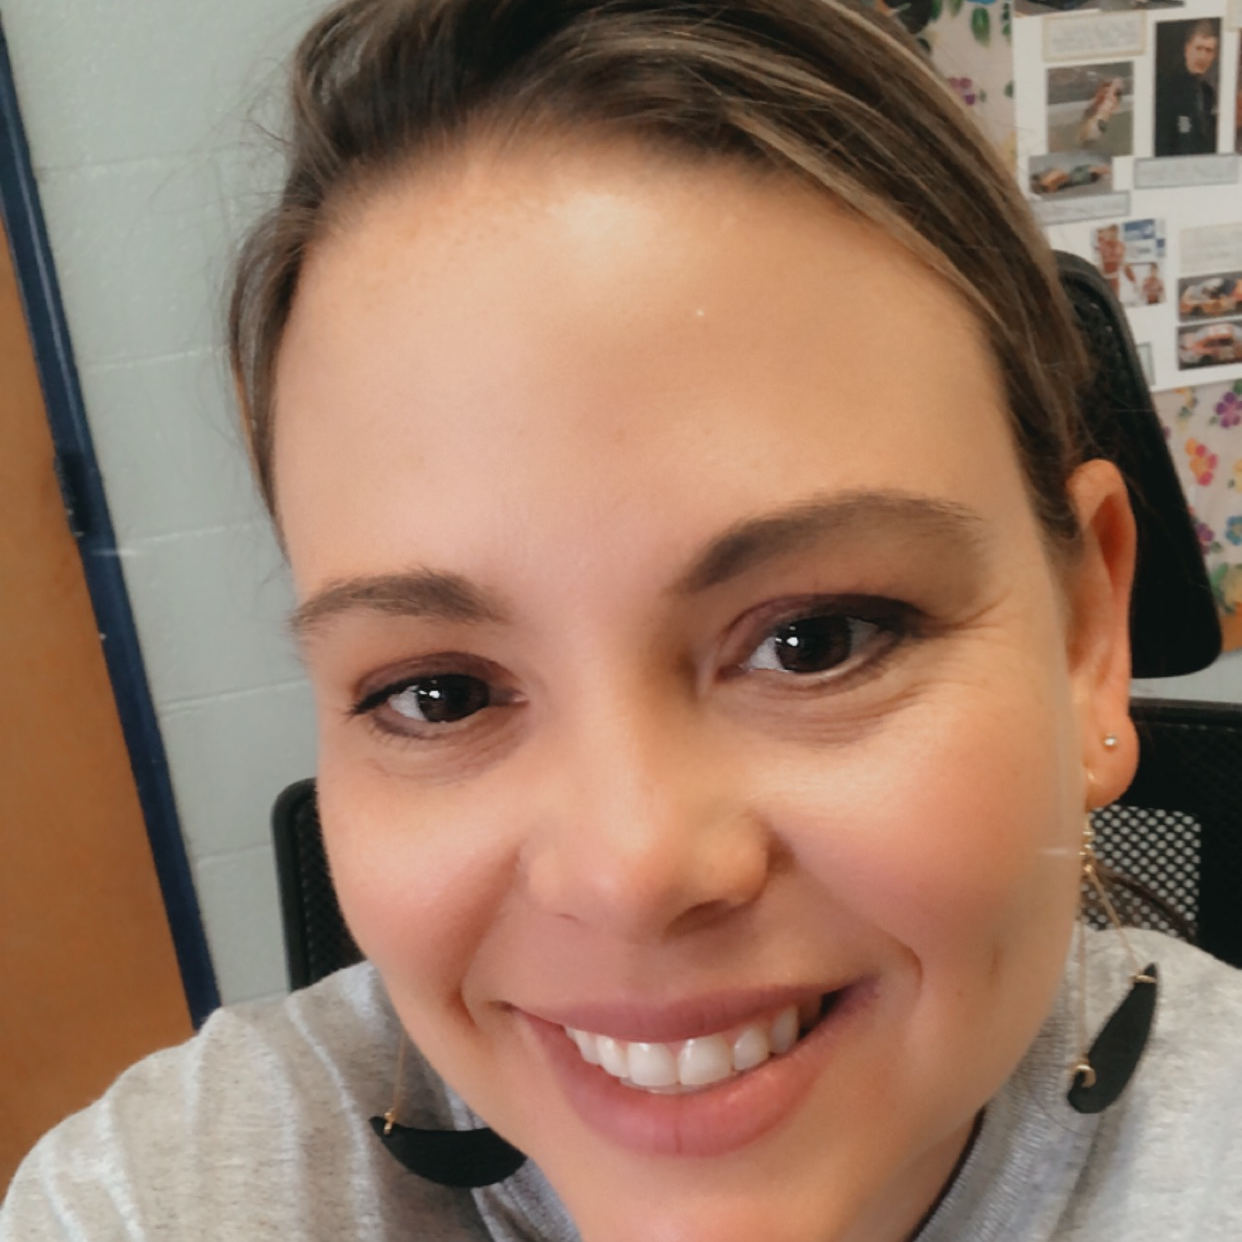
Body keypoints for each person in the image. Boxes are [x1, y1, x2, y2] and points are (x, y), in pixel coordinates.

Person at [4, 1, 1242, 1239]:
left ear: (1086, 637)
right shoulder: (144, 1204)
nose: (632, 872)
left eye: (813, 640)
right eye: (441, 693)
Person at [1154, 19, 1219, 157]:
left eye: (1209, 51)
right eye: (1198, 48)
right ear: (1187, 49)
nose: (1202, 56)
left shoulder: (1208, 93)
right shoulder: (1167, 89)